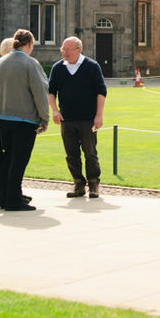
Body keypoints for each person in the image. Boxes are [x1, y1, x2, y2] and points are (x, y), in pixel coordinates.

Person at [0, 29, 49, 211]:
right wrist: (44, 118)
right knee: (19, 160)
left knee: (7, 158)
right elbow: (39, 92)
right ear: (29, 44)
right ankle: (13, 199)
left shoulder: (0, 62)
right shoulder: (31, 63)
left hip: (3, 118)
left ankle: (4, 197)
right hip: (25, 119)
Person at [48, 36, 107, 199]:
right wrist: (54, 110)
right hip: (67, 119)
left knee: (90, 152)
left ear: (78, 50)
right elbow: (51, 91)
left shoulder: (92, 66)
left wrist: (99, 115)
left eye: (67, 49)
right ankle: (78, 184)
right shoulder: (57, 68)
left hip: (88, 118)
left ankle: (94, 184)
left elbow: (101, 92)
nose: (64, 52)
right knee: (71, 154)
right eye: (62, 49)